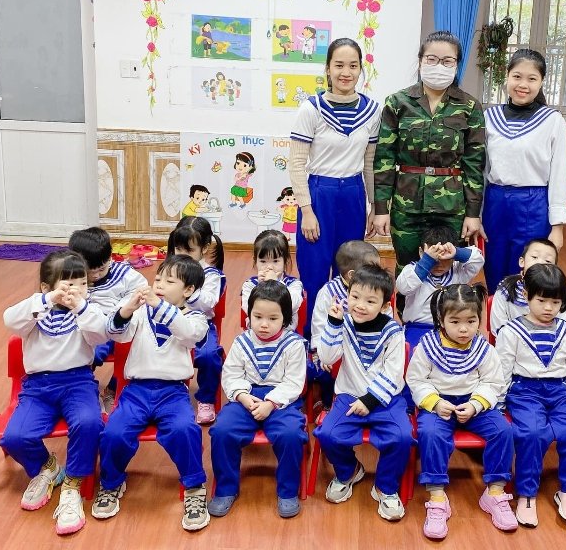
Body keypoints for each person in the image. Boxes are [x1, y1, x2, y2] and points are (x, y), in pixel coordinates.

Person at [92, 256, 210, 532]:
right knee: (114, 433)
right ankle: (111, 483)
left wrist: (160, 306)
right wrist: (126, 310)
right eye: (157, 279)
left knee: (185, 430)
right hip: (136, 390)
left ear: (188, 290)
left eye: (169, 281)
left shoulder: (195, 317)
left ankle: (194, 487)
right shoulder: (142, 313)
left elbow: (188, 334)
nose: (159, 285)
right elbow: (116, 333)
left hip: (173, 392)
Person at [0, 250, 107, 536]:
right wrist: (46, 300)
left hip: (78, 382)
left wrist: (81, 308)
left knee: (89, 423)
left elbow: (100, 334)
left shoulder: (89, 312)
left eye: (83, 283)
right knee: (15, 437)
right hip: (38, 387)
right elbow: (10, 320)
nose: (77, 290)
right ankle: (47, 467)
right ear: (47, 287)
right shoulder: (36, 311)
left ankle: (72, 485)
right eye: (69, 284)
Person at [406, 284, 516, 539]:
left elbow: (493, 382)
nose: (464, 329)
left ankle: (495, 492)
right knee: (430, 433)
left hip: (474, 404)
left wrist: (476, 404)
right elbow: (416, 380)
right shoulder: (427, 346)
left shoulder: (484, 349)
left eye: (471, 321)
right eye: (455, 322)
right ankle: (437, 497)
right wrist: (434, 402)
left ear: (479, 319)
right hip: (439, 405)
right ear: (441, 319)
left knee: (502, 430)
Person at [373, 31, 487, 274]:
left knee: (447, 268)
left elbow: (474, 164)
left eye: (447, 61)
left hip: (451, 207)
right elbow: (384, 159)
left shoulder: (469, 106)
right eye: (432, 59)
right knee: (407, 269)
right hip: (407, 206)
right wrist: (381, 209)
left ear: (456, 65)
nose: (439, 66)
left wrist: (473, 214)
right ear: (420, 61)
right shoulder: (398, 102)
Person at [289, 38, 381, 322]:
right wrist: (306, 211)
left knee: (352, 272)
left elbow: (370, 163)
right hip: (319, 194)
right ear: (327, 68)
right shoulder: (311, 109)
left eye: (353, 66)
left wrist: (374, 206)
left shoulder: (372, 110)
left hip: (353, 194)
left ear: (361, 69)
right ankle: (310, 338)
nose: (346, 72)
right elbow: (296, 163)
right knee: (314, 271)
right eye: (339, 65)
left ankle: (346, 332)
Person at [313, 265, 413, 522]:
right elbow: (327, 358)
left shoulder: (393, 332)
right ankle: (349, 471)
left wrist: (369, 400)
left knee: (403, 437)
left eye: (370, 301)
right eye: (355, 296)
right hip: (348, 396)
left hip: (386, 400)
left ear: (384, 306)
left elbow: (394, 373)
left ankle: (385, 487)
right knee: (328, 434)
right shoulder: (343, 323)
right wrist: (333, 324)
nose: (359, 305)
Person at [496, 264, 566, 528]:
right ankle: (527, 494)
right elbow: (502, 371)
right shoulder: (511, 331)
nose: (549, 308)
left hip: (559, 391)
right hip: (524, 392)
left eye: (555, 302)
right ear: (526, 295)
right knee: (531, 433)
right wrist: (499, 405)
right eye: (542, 301)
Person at [208, 281, 308, 519]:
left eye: (273, 318)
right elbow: (231, 375)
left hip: (281, 401)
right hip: (246, 397)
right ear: (248, 315)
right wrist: (242, 396)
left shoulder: (294, 344)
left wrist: (270, 403)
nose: (264, 324)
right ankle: (225, 489)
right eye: (258, 316)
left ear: (285, 319)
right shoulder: (242, 342)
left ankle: (287, 492)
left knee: (291, 435)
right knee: (222, 431)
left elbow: (294, 382)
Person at [482, 49, 566, 292]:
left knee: (530, 270)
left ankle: (525, 315)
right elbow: (481, 170)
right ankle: (497, 312)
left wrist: (557, 226)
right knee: (494, 264)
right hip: (495, 203)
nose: (523, 85)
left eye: (532, 79)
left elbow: (559, 173)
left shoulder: (552, 120)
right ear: (507, 77)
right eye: (517, 76)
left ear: (541, 82)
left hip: (534, 204)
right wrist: (476, 214)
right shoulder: (489, 117)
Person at [68, 226, 148, 411]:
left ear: (110, 257)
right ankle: (86, 387)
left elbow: (139, 291)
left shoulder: (124, 275)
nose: (95, 275)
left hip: (115, 327)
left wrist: (121, 311)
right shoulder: (72, 276)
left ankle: (113, 387)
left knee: (128, 350)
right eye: (89, 271)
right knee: (81, 351)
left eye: (101, 269)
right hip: (84, 328)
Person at [308, 240, 383, 409]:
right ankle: (328, 402)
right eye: (372, 268)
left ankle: (370, 400)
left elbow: (385, 320)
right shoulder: (328, 293)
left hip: (367, 345)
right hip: (335, 347)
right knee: (326, 369)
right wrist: (321, 352)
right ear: (351, 275)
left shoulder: (377, 291)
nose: (377, 273)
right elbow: (319, 327)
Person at [168, 216, 226, 425]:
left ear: (204, 248)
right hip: (170, 323)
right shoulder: (168, 270)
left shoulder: (211, 274)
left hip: (201, 325)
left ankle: (206, 400)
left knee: (209, 356)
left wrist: (188, 291)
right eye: (179, 249)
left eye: (189, 251)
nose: (182, 256)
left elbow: (209, 302)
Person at [395, 224, 485, 348]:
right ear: (421, 252)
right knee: (413, 355)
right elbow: (403, 287)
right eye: (435, 259)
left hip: (453, 328)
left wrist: (456, 252)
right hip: (418, 328)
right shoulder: (413, 270)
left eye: (445, 258)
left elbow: (478, 259)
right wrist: (427, 260)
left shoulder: (458, 271)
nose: (439, 264)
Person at [489, 238, 558, 338]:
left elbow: (561, 326)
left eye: (547, 260)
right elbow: (498, 327)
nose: (540, 263)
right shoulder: (505, 290)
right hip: (511, 343)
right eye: (534, 257)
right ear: (522, 261)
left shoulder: (558, 293)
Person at [240, 230, 304, 331]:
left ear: (285, 261)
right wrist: (262, 287)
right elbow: (248, 308)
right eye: (263, 261)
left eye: (275, 261)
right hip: (257, 334)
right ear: (255, 261)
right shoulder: (250, 285)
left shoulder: (294, 284)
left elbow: (292, 304)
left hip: (285, 336)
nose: (269, 267)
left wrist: (277, 284)